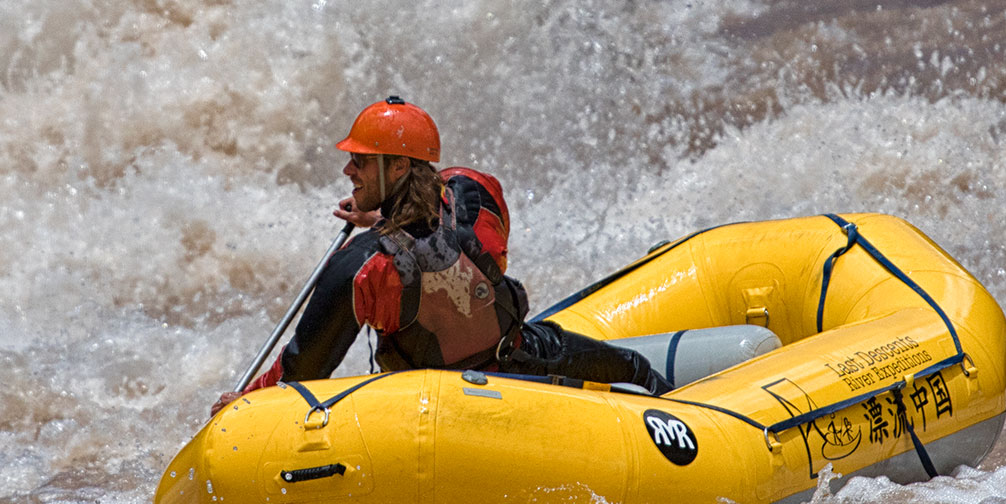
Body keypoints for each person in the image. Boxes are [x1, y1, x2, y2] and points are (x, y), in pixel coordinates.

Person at [211, 97, 667, 414]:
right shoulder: (474, 192)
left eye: (363, 161)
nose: (348, 169)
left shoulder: (360, 269)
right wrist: (383, 217)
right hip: (525, 360)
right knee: (635, 371)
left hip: (434, 407)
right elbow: (446, 243)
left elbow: (303, 369)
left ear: (400, 166)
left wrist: (247, 400)